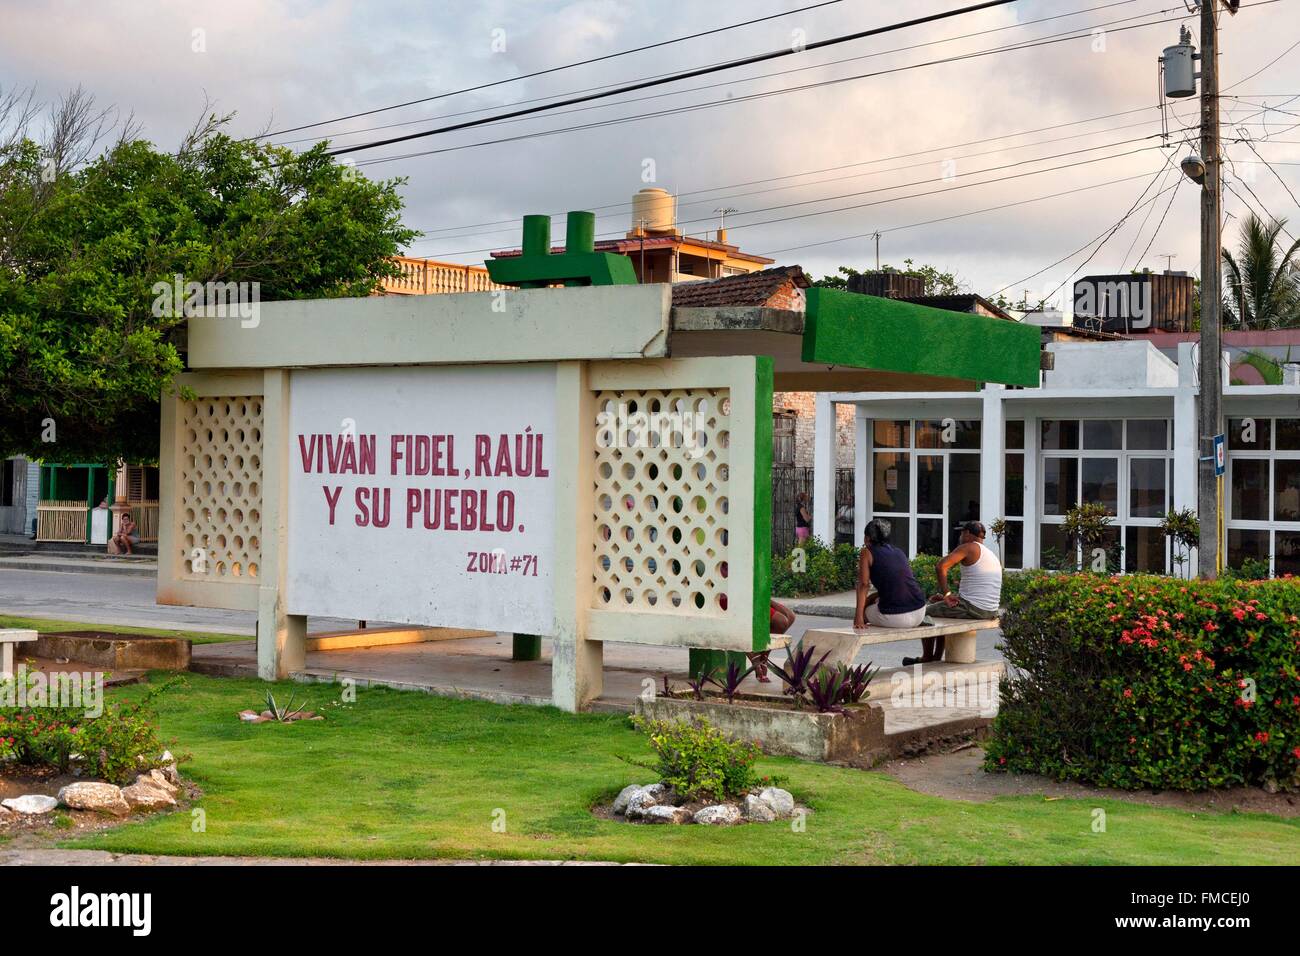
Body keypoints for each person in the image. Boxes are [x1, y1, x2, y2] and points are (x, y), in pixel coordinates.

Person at [907, 520, 1003, 666]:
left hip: (973, 608)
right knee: (937, 606)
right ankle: (936, 656)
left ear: (968, 534)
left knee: (922, 613)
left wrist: (946, 594)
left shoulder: (968, 547)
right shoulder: (989, 553)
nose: (959, 536)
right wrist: (945, 597)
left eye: (961, 532)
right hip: (989, 610)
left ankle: (927, 657)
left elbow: (941, 566)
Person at [854, 518, 927, 630]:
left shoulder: (866, 552)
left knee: (864, 612)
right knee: (872, 598)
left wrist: (858, 617)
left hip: (897, 618)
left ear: (867, 538)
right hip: (920, 611)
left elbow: (864, 585)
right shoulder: (898, 551)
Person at [749, 600, 795, 683]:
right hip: (735, 596)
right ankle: (755, 655)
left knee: (790, 616)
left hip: (758, 595)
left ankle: (763, 655)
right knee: (781, 621)